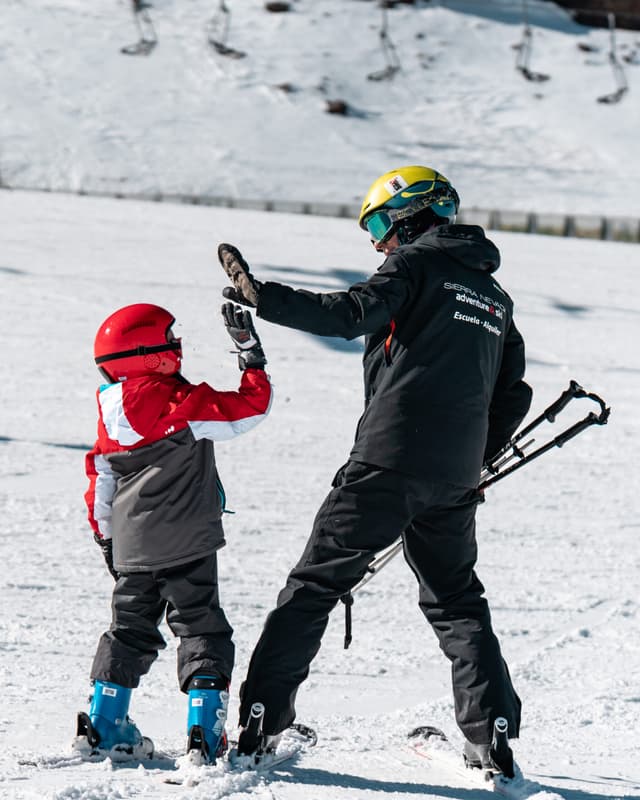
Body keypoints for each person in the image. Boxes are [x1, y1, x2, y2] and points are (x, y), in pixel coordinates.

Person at [217, 165, 533, 777]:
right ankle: (491, 736)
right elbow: (512, 393)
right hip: (454, 476)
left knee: (314, 588)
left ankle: (260, 721)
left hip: (388, 461)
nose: (379, 242)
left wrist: (266, 297)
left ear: (418, 214)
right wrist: (478, 458)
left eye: (384, 223)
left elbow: (350, 313)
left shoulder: (415, 266)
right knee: (458, 601)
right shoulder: (496, 298)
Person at [75, 302, 272, 764]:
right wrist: (251, 358)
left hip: (132, 547)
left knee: (128, 630)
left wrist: (107, 538)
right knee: (201, 628)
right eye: (170, 341)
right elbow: (249, 410)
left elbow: (100, 477)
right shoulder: (183, 404)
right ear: (150, 357)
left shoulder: (110, 415)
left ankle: (104, 724)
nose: (178, 347)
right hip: (188, 544)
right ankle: (204, 732)